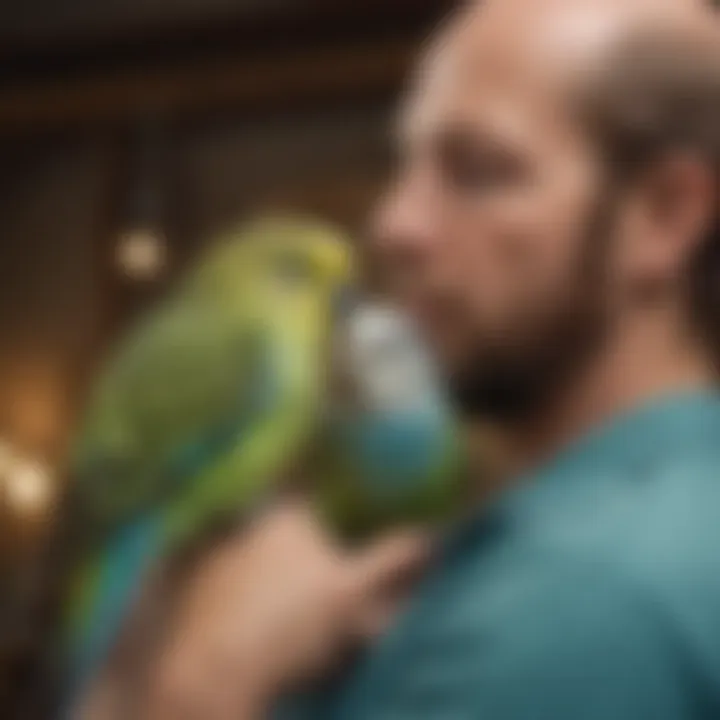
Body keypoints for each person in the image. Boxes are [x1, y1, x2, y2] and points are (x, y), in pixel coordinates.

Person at [95, 0, 720, 717]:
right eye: (407, 163)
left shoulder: (575, 602)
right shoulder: (620, 530)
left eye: (480, 172)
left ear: (665, 216)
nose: (394, 225)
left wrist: (205, 684)